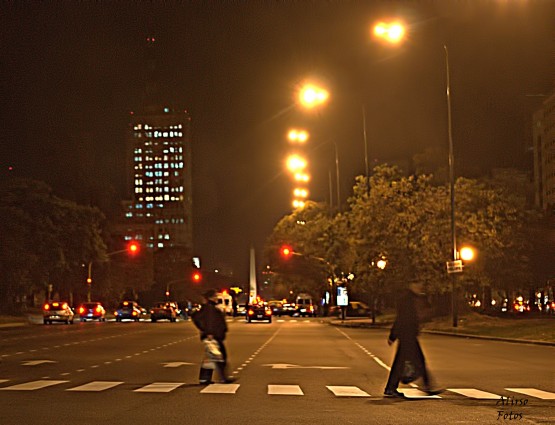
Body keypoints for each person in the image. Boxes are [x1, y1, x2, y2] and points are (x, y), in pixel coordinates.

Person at [384, 281, 442, 398]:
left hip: (408, 335)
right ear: (411, 285)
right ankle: (427, 386)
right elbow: (401, 318)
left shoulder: (414, 298)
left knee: (401, 363)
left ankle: (391, 388)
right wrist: (393, 335)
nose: (420, 286)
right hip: (407, 335)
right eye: (417, 284)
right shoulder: (406, 300)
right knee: (418, 361)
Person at [192, 289, 235, 384]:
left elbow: (197, 317)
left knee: (211, 358)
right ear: (210, 298)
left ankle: (205, 378)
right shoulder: (210, 309)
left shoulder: (209, 308)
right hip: (213, 336)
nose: (217, 298)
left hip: (213, 335)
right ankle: (223, 378)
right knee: (220, 356)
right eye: (215, 296)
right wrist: (209, 332)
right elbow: (210, 322)